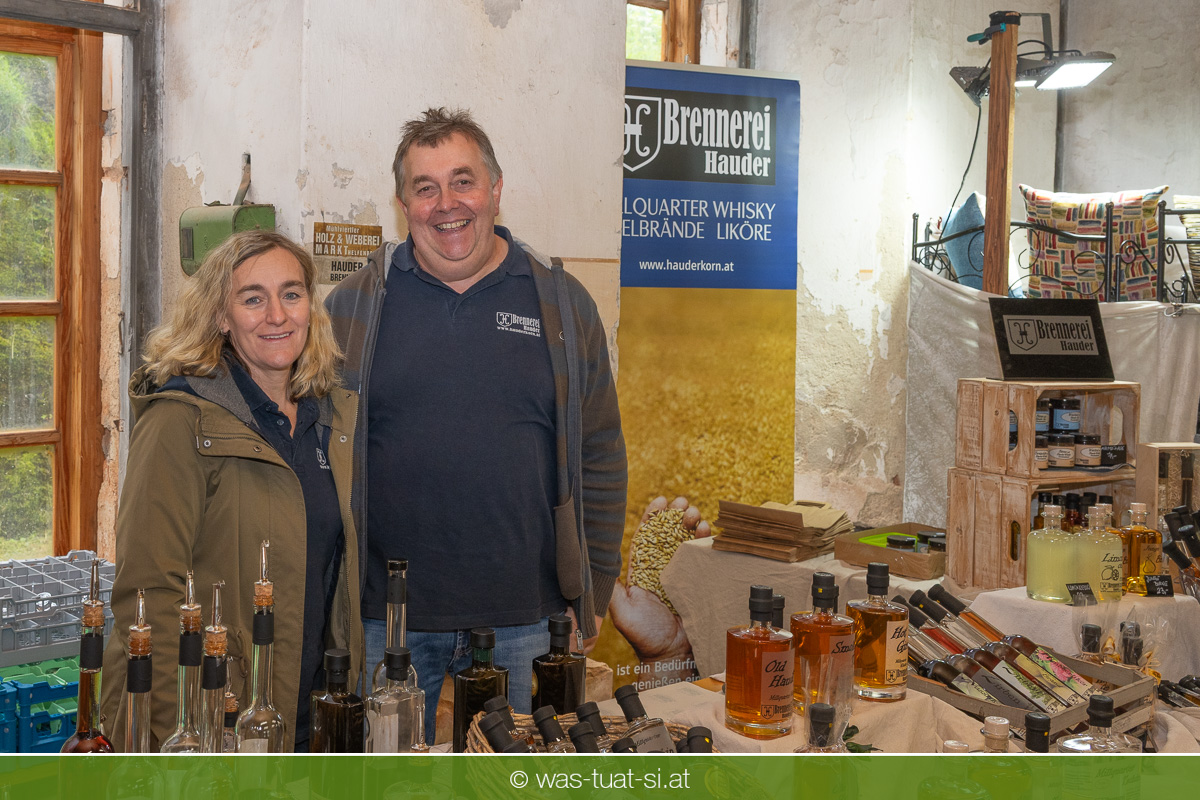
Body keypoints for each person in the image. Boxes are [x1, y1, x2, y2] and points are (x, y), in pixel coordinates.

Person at [326, 107, 627, 741]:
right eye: (425, 187)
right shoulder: (354, 308)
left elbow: (600, 452)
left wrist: (592, 587)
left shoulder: (562, 303)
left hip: (528, 619)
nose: (446, 204)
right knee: (386, 781)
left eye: (462, 181)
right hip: (388, 621)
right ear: (403, 204)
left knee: (514, 777)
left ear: (495, 189)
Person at [101, 230, 364, 752]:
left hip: (307, 712)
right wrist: (181, 741)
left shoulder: (329, 416)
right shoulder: (180, 420)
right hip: (215, 718)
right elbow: (148, 596)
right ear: (221, 316)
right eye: (253, 299)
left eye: (291, 294)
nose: (277, 315)